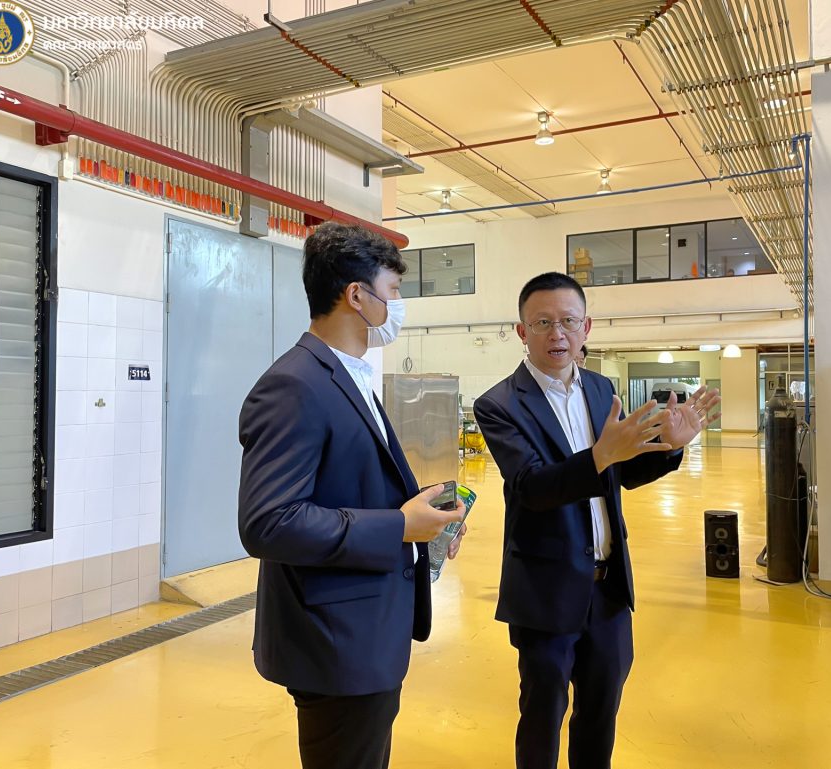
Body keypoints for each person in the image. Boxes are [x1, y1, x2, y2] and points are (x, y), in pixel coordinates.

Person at [237, 223, 466, 769]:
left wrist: (426, 519)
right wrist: (399, 527)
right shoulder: (295, 384)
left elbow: (352, 484)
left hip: (367, 632)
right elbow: (269, 522)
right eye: (392, 291)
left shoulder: (349, 375)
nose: (397, 305)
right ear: (357, 295)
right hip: (335, 642)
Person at [473, 272, 719, 769]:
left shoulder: (603, 389)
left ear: (586, 327)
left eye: (568, 321)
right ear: (522, 332)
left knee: (600, 714)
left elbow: (620, 474)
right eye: (542, 323)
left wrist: (671, 448)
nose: (557, 334)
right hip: (545, 591)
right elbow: (532, 487)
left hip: (608, 592)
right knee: (542, 717)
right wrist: (602, 455)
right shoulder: (499, 404)